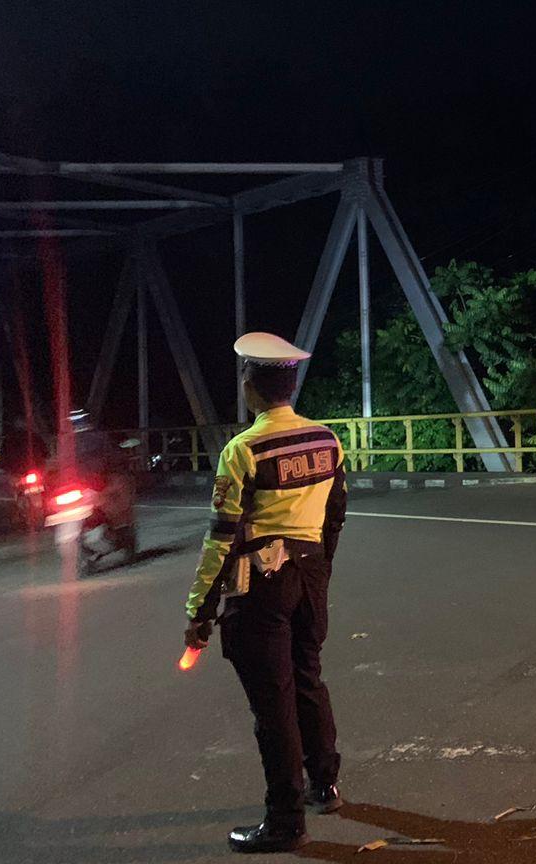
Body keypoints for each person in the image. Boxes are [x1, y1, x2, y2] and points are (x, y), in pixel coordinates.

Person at [184, 332, 347, 853]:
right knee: (307, 677)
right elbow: (335, 515)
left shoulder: (243, 451)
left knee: (272, 703)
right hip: (311, 575)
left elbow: (221, 539)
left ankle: (285, 821)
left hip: (263, 587)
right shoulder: (327, 440)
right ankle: (325, 782)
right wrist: (320, 568)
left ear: (251, 388)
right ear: (291, 384)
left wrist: (199, 613)